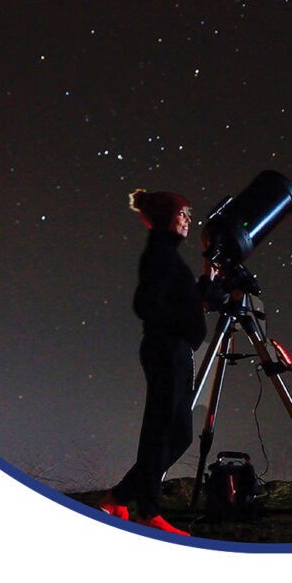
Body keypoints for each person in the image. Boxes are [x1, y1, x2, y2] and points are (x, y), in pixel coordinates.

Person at [98, 188, 219, 536]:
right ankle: (147, 512)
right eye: (183, 214)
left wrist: (207, 280)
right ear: (167, 216)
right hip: (167, 349)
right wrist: (178, 324)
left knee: (178, 434)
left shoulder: (169, 256)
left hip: (176, 351)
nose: (188, 220)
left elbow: (184, 300)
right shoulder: (160, 253)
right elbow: (145, 303)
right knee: (161, 431)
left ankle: (119, 497)